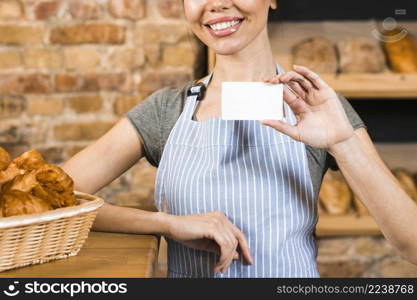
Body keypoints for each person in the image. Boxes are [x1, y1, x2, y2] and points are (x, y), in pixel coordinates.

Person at [62, 0, 417, 278]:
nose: (216, 4)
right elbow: (53, 202)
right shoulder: (165, 111)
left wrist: (342, 141)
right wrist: (164, 223)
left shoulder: (318, 107)